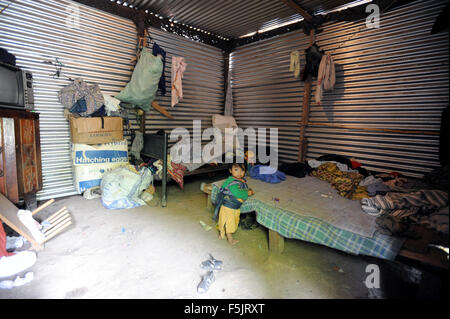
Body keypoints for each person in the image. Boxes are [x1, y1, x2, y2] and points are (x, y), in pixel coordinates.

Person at [216, 163, 255, 245]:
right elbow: (238, 193)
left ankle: (221, 235)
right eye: (236, 170)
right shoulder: (234, 183)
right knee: (230, 222)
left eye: (242, 170)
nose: (239, 173)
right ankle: (230, 240)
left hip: (225, 205)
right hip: (231, 207)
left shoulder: (230, 180)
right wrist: (248, 192)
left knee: (223, 220)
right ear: (230, 170)